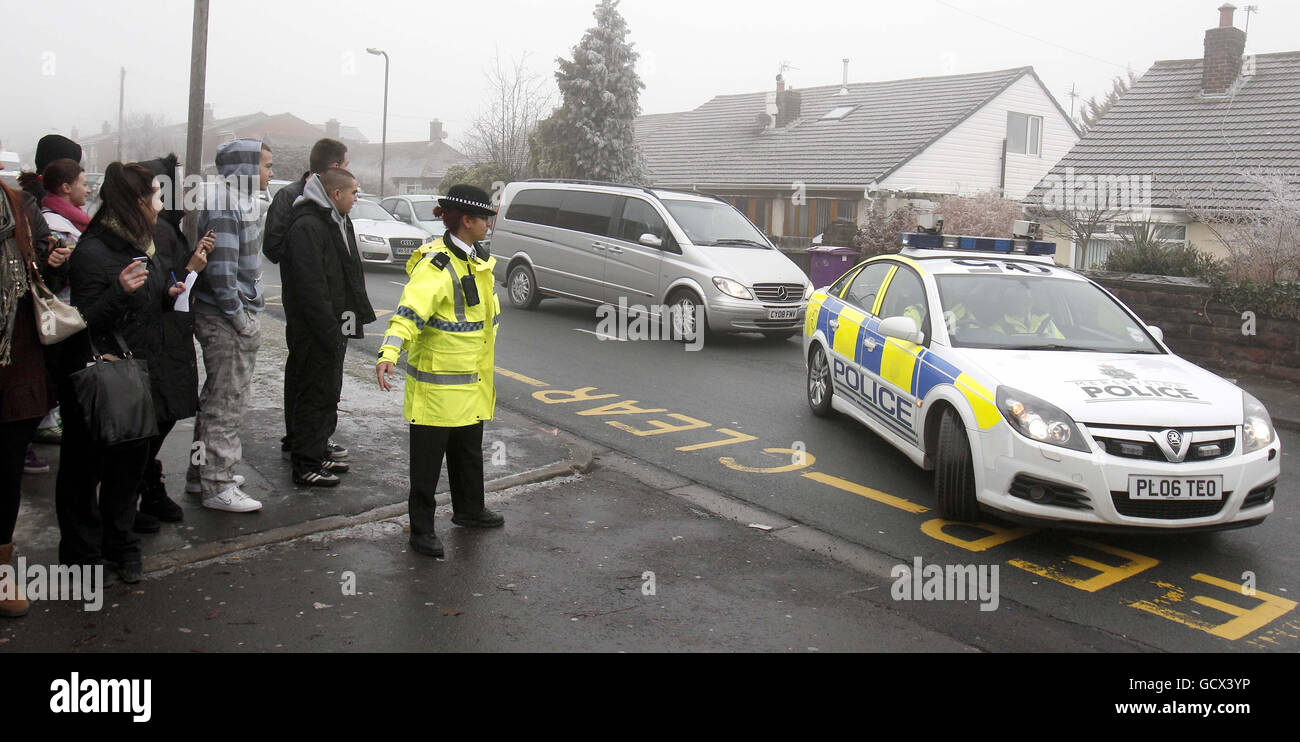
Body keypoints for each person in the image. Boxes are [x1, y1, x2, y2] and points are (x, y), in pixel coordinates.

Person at [56, 162, 189, 584]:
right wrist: (119, 291)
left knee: (128, 468)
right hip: (98, 378)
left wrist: (165, 294)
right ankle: (81, 555)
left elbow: (144, 304)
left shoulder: (145, 243)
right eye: (157, 195)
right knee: (84, 469)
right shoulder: (94, 250)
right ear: (137, 201)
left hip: (136, 374)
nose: (162, 204)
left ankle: (121, 545)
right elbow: (83, 320)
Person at [376, 184, 504, 558]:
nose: (489, 224)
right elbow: (409, 313)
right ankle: (422, 530)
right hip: (437, 387)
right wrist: (389, 352)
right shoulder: (437, 264)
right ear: (466, 221)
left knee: (468, 452)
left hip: (470, 381)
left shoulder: (478, 259)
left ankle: (470, 509)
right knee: (427, 464)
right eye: (485, 218)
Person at [187, 139, 271, 513]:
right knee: (226, 403)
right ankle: (217, 485)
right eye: (265, 165)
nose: (270, 173)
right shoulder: (226, 204)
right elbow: (222, 273)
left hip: (226, 316)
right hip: (224, 320)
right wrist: (240, 319)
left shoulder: (236, 200)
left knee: (216, 398)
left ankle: (201, 474)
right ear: (245, 170)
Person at [133, 154, 213, 531]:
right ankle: (136, 495)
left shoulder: (165, 226)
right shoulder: (157, 230)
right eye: (167, 187)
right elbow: (166, 286)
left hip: (168, 336)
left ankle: (145, 488)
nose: (180, 193)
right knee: (153, 420)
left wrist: (193, 263)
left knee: (158, 420)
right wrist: (192, 269)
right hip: (159, 340)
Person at [281, 168, 374, 486]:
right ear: (336, 194)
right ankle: (305, 465)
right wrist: (329, 331)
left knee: (327, 393)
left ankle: (318, 452)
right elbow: (311, 287)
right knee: (313, 394)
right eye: (353, 192)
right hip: (316, 330)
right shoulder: (308, 225)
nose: (356, 198)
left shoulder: (334, 220)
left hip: (333, 325)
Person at [262, 137, 351, 464]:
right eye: (346, 164)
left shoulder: (338, 198)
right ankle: (299, 440)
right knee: (304, 370)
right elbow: (273, 247)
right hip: (305, 303)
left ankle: (318, 438)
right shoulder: (291, 197)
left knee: (328, 372)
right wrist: (307, 259)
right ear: (334, 166)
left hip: (335, 303)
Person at [0, 180, 62, 616]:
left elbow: (43, 276)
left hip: (14, 362)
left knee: (5, 470)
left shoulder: (16, 204)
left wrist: (53, 260)